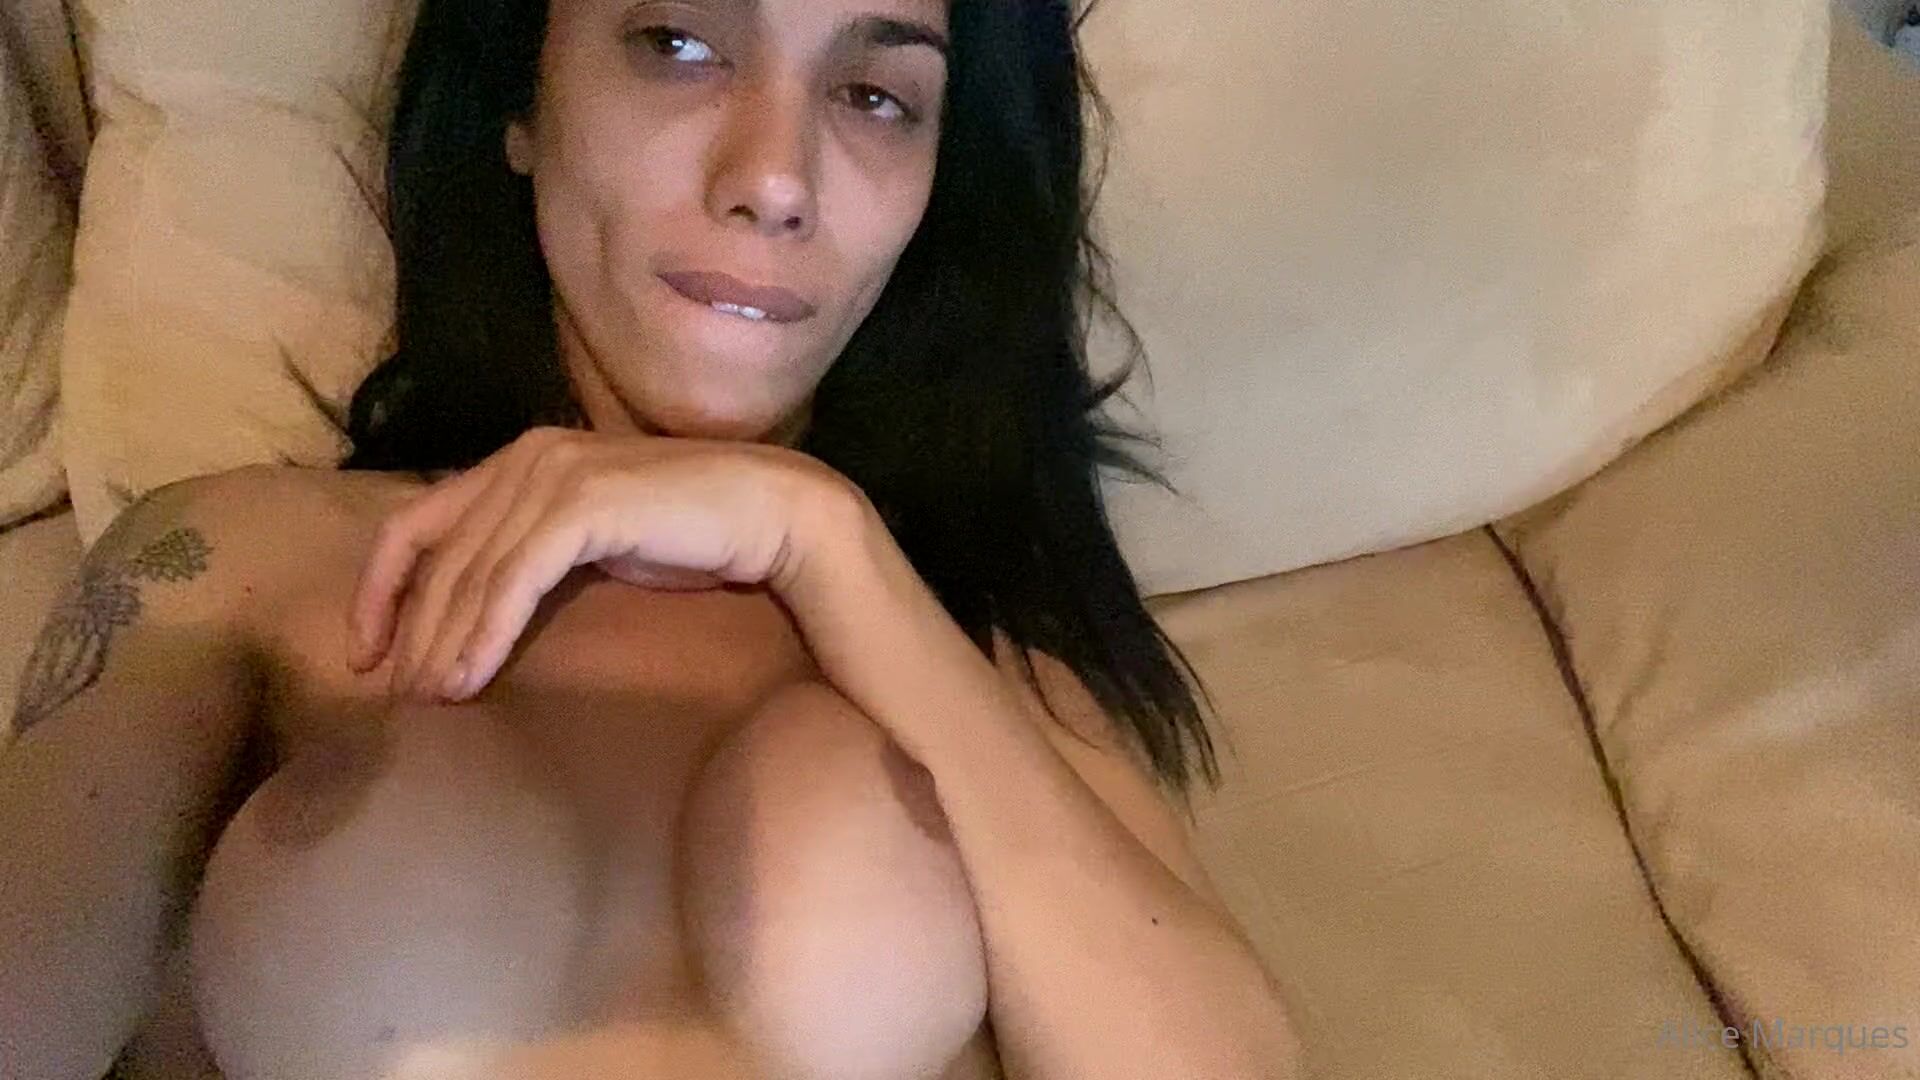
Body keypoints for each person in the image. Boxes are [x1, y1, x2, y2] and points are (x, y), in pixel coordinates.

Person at [0, 0, 1303, 1076]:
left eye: (875, 96)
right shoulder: (231, 564)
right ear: (520, 98)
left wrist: (823, 541)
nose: (775, 180)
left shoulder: (972, 657)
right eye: (679, 44)